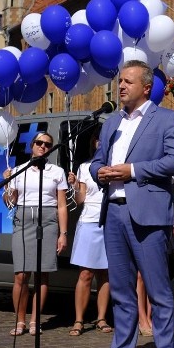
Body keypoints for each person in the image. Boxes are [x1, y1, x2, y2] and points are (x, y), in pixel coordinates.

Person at [89, 60, 174, 348]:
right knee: (121, 292)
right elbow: (98, 160)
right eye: (119, 81)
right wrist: (98, 172)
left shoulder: (167, 119)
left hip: (148, 214)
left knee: (159, 292)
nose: (120, 86)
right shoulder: (111, 123)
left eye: (128, 81)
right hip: (114, 213)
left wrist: (131, 171)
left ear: (146, 87)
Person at [2, 132, 69, 337]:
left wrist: (63, 233)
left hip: (47, 220)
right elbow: (9, 202)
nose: (43, 147)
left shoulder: (56, 171)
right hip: (24, 219)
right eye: (39, 143)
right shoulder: (18, 170)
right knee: (21, 274)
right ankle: (20, 320)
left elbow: (62, 205)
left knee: (42, 274)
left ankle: (34, 320)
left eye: (47, 144)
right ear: (32, 145)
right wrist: (7, 183)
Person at [67, 131, 111, 337]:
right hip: (89, 221)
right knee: (85, 274)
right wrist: (74, 186)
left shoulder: (116, 165)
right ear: (94, 142)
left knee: (105, 273)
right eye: (98, 138)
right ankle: (79, 319)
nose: (101, 142)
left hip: (110, 221)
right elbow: (80, 200)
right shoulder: (85, 167)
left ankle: (101, 318)